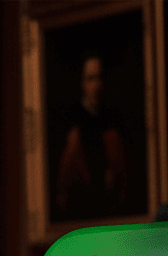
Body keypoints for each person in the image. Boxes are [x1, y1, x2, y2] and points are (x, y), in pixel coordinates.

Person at [53, 54, 129, 221]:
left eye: (99, 78)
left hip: (108, 208)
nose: (96, 85)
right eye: (90, 79)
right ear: (82, 83)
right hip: (80, 209)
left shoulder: (112, 119)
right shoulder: (71, 121)